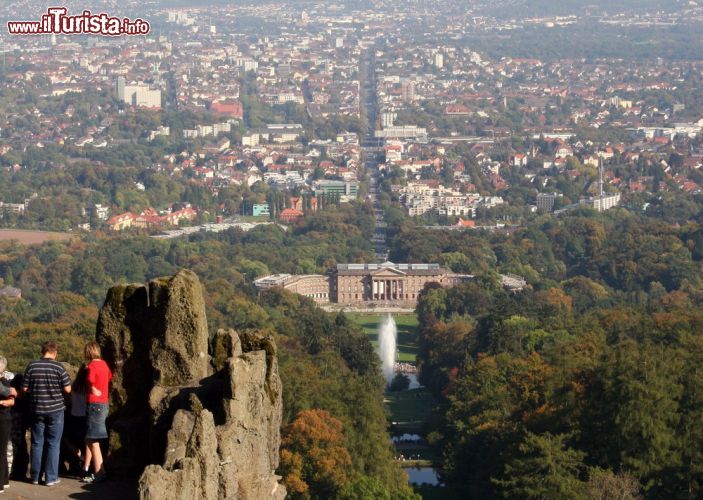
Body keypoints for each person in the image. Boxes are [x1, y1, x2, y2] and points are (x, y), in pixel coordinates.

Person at [22, 342, 71, 487]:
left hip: (37, 409)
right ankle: (50, 477)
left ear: (42, 351)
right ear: (54, 352)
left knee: (37, 443)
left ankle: (35, 476)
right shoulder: (58, 367)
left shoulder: (32, 366)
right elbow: (68, 389)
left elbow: (24, 388)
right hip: (55, 410)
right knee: (53, 444)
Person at [81, 342, 111, 484]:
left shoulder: (92, 366)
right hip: (104, 403)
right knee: (92, 439)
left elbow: (89, 380)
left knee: (93, 440)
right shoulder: (104, 365)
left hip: (94, 404)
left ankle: (99, 472)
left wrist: (93, 389)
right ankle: (99, 471)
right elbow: (109, 377)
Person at [62, 365, 89, 478]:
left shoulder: (74, 386)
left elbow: (69, 401)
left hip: (73, 417)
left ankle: (78, 457)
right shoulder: (88, 387)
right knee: (87, 442)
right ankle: (85, 464)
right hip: (85, 417)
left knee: (68, 439)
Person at [0, 356, 17, 494]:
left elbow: (11, 401)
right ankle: (4, 481)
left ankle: (1, 483)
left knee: (1, 450)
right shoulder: (6, 382)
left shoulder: (4, 382)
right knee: (2, 450)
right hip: (5, 418)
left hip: (3, 418)